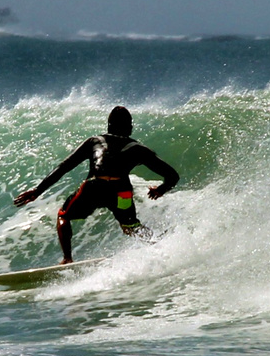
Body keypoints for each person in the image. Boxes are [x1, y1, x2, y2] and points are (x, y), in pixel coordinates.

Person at [13, 106, 179, 263]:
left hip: (95, 187)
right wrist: (161, 189)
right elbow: (172, 176)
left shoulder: (94, 141)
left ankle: (67, 259)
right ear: (130, 128)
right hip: (121, 192)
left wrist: (37, 191)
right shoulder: (140, 149)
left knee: (64, 215)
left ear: (109, 126)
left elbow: (64, 167)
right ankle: (159, 245)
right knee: (130, 226)